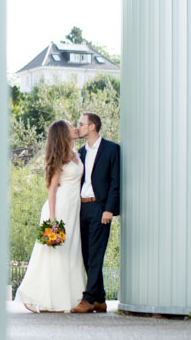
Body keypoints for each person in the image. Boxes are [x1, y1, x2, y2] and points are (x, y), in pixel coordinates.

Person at [15, 120, 86, 313]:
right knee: (52, 254)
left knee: (70, 253)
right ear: (63, 132)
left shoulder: (76, 154)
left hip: (73, 209)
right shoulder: (60, 158)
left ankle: (64, 299)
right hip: (59, 209)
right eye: (71, 126)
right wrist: (52, 219)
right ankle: (37, 296)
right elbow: (52, 189)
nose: (75, 128)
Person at [71, 112, 120, 314]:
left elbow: (115, 182)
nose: (78, 127)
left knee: (96, 255)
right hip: (82, 208)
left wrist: (109, 209)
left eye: (81, 124)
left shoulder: (112, 149)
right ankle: (100, 298)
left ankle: (88, 299)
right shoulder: (80, 152)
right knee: (87, 254)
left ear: (92, 127)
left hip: (100, 208)